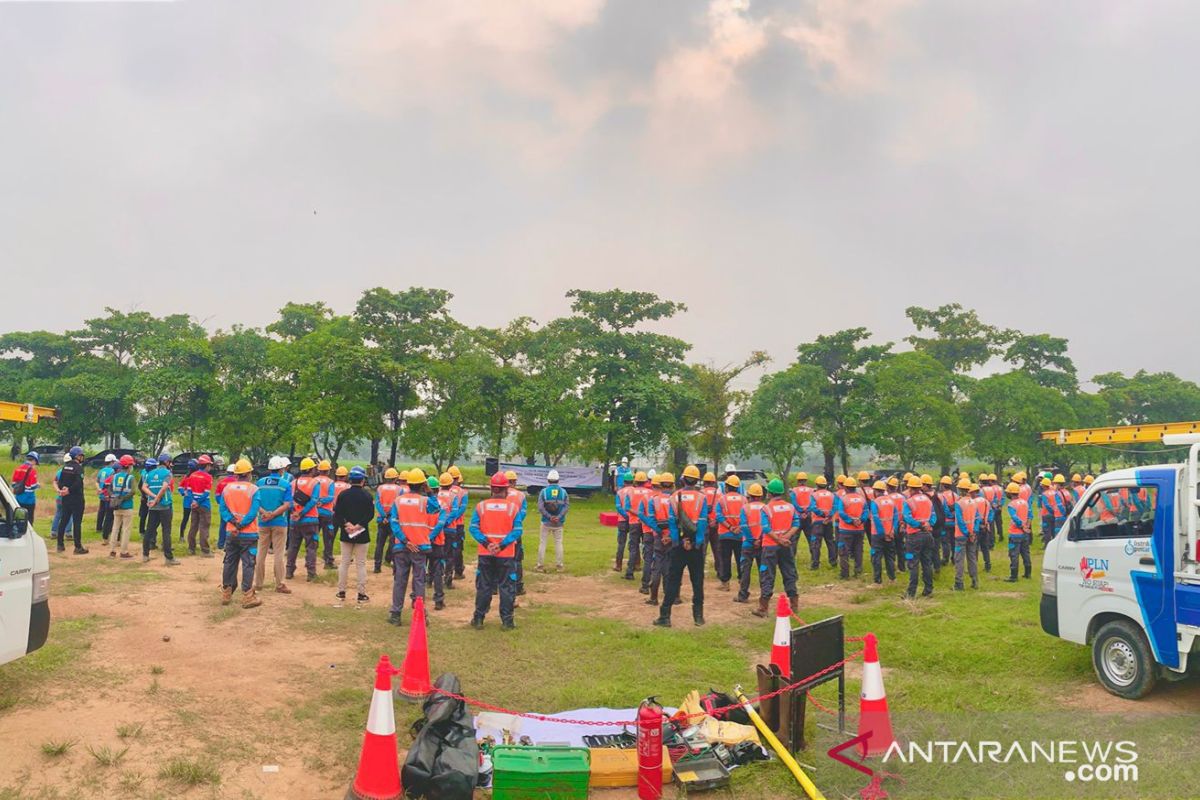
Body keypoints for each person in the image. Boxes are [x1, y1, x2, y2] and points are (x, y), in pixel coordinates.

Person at [388, 469, 447, 626]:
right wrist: (430, 492)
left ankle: (395, 614)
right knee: (419, 581)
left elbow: (394, 523)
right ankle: (420, 614)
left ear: (408, 484)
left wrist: (405, 540)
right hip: (420, 547)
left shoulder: (398, 501)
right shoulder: (425, 501)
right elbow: (436, 508)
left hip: (402, 546)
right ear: (422, 484)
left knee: (400, 580)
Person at [653, 464, 708, 628]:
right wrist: (695, 543)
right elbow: (703, 523)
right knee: (697, 581)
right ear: (697, 481)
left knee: (672, 580)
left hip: (678, 547)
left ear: (683, 479)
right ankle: (698, 617)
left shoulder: (674, 497)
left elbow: (672, 523)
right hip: (696, 548)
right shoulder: (702, 499)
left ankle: (665, 616)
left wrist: (679, 542)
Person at [469, 472, 524, 630]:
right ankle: (507, 621)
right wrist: (502, 545)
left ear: (492, 488)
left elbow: (473, 528)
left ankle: (478, 618)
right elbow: (517, 530)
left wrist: (487, 544)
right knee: (506, 587)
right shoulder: (513, 508)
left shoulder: (481, 507)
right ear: (506, 489)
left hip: (486, 553)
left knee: (484, 586)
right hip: (506, 554)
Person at [753, 479, 799, 617]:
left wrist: (778, 539)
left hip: (770, 546)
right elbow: (796, 523)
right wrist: (786, 538)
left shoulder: (766, 509)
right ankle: (794, 605)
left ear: (769, 493)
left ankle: (763, 608)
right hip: (786, 546)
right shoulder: (790, 507)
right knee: (789, 573)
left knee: (767, 575)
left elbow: (766, 528)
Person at [218, 459, 262, 608]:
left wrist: (234, 523)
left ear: (236, 474)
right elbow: (253, 511)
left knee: (229, 562)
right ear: (249, 473)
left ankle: (226, 592)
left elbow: (223, 510)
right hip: (248, 534)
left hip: (232, 532)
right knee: (248, 564)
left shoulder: (227, 489)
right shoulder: (254, 489)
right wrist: (242, 524)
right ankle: (248, 596)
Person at [334, 466, 374, 605]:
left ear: (350, 479)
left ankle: (341, 592)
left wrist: (347, 525)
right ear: (363, 480)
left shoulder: (343, 495)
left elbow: (337, 513)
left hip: (346, 533)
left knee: (344, 563)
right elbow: (370, 514)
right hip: (362, 534)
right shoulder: (367, 495)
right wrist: (358, 526)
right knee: (361, 564)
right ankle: (361, 594)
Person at [255, 457, 294, 594]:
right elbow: (287, 504)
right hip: (279, 522)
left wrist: (265, 513)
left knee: (260, 553)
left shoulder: (260, 483)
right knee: (279, 554)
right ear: (281, 469)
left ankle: (258, 584)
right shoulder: (285, 484)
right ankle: (280, 584)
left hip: (262, 521)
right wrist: (274, 514)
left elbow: (256, 502)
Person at [637, 473, 673, 604]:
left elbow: (646, 516)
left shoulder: (652, 499)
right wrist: (669, 535)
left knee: (655, 565)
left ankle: (652, 596)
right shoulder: (676, 499)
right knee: (670, 566)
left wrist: (660, 532)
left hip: (655, 535)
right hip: (672, 537)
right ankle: (672, 596)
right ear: (672, 484)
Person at [288, 458, 322, 582]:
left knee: (293, 546)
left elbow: (288, 501)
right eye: (314, 468)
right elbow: (313, 500)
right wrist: (301, 513)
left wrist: (294, 513)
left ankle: (289, 571)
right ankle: (311, 573)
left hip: (294, 520)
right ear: (310, 469)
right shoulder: (315, 483)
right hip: (310, 520)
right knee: (311, 547)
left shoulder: (293, 483)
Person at [901, 475, 936, 598]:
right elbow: (933, 517)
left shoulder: (908, 502)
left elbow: (907, 518)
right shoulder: (928, 500)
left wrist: (919, 526)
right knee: (927, 562)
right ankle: (928, 589)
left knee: (912, 563)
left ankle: (911, 593)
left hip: (913, 537)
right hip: (927, 536)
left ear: (909, 488)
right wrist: (928, 525)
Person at [141, 454, 179, 565]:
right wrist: (157, 498)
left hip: (152, 506)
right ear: (166, 462)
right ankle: (169, 558)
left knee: (149, 530)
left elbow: (144, 487)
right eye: (170, 462)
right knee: (166, 531)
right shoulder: (167, 473)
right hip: (164, 505)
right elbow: (164, 487)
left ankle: (145, 555)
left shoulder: (150, 473)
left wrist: (153, 497)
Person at [736, 482, 768, 603]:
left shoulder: (745, 508)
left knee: (745, 570)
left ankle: (743, 595)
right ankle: (764, 595)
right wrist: (759, 540)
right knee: (763, 569)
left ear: (749, 495)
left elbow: (744, 526)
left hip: (748, 544)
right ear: (760, 496)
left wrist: (752, 540)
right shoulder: (765, 508)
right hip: (762, 543)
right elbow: (767, 526)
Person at [713, 474, 746, 592]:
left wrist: (730, 527)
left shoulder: (722, 499)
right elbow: (747, 516)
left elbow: (719, 516)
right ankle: (742, 582)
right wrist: (738, 528)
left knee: (725, 559)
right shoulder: (744, 499)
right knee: (740, 559)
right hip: (740, 534)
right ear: (737, 487)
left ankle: (725, 583)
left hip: (725, 534)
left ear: (727, 487)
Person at [55, 446, 88, 554]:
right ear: (76, 456)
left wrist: (63, 489)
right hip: (76, 498)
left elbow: (60, 482)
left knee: (63, 520)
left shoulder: (65, 468)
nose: (82, 457)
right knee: (77, 522)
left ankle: (60, 544)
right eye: (80, 455)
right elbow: (78, 483)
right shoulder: (79, 468)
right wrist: (69, 490)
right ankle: (78, 547)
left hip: (66, 499)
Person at [835, 476, 868, 579]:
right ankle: (858, 571)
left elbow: (841, 513)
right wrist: (860, 520)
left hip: (846, 530)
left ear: (845, 487)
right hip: (859, 529)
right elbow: (866, 511)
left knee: (844, 551)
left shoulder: (843, 499)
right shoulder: (862, 499)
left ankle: (844, 574)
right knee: (858, 550)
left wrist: (851, 521)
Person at [536, 469, 569, 572]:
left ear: (548, 480)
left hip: (546, 521)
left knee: (543, 543)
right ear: (558, 480)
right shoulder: (563, 492)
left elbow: (540, 507)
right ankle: (559, 566)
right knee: (559, 543)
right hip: (559, 523)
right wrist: (558, 517)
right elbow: (566, 506)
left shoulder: (544, 492)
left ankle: (540, 565)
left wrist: (549, 517)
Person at [373, 468, 403, 575]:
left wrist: (383, 515)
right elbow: (398, 504)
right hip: (393, 520)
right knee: (393, 543)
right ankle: (394, 567)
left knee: (379, 544)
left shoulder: (380, 488)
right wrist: (389, 515)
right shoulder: (399, 489)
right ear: (395, 478)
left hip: (382, 519)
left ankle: (377, 566)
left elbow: (377, 503)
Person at [184, 455, 215, 557]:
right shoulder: (208, 477)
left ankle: (191, 548)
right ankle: (205, 550)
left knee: (193, 526)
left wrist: (194, 501)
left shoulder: (192, 476)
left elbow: (188, 491)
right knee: (204, 527)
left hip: (193, 505)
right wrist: (198, 501)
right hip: (204, 505)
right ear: (206, 465)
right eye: (209, 465)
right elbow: (206, 493)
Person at [107, 456, 137, 558]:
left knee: (115, 528)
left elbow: (109, 489)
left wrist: (114, 497)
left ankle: (112, 550)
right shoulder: (131, 477)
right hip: (127, 506)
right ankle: (124, 551)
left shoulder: (115, 476)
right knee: (126, 529)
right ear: (128, 466)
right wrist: (123, 498)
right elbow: (133, 491)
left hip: (116, 506)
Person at [503, 470, 528, 597]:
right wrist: (515, 522)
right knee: (517, 559)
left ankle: (497, 586)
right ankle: (518, 586)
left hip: (501, 530)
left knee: (499, 558)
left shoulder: (499, 494)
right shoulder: (521, 495)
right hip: (515, 530)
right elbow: (523, 512)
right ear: (514, 481)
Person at [953, 478, 980, 591]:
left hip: (961, 535)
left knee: (959, 559)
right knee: (972, 558)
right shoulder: (974, 502)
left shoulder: (958, 504)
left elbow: (960, 520)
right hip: (972, 535)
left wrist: (967, 532)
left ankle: (959, 583)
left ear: (960, 489)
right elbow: (978, 518)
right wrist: (973, 532)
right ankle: (975, 581)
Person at [869, 480, 897, 585]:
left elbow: (876, 519)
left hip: (878, 534)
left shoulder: (875, 503)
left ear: (875, 491)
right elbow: (895, 517)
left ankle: (877, 582)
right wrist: (892, 530)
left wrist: (883, 533)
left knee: (876, 558)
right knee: (889, 557)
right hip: (890, 534)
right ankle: (892, 579)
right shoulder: (891, 501)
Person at [621, 471, 648, 580]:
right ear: (646, 481)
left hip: (634, 523)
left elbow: (627, 507)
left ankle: (630, 572)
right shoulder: (650, 493)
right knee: (647, 548)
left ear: (635, 481)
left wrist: (636, 513)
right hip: (646, 524)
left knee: (633, 547)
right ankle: (648, 572)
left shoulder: (630, 492)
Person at [1004, 482, 1032, 582]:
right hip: (1024, 534)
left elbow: (1014, 517)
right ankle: (1028, 573)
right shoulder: (1025, 502)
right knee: (1026, 553)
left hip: (1015, 533)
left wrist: (1022, 526)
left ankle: (1013, 576)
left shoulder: (1011, 505)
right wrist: (1027, 526)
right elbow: (1030, 515)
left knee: (1014, 554)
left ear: (1010, 493)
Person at [808, 476, 836, 570]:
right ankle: (833, 561)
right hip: (828, 522)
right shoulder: (832, 495)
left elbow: (813, 507)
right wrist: (828, 516)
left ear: (817, 485)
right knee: (830, 542)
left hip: (817, 522)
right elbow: (835, 507)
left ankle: (815, 564)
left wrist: (822, 515)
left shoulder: (814, 495)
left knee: (816, 544)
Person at [446, 465, 469, 583]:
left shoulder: (444, 490)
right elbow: (462, 509)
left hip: (446, 525)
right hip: (458, 525)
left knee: (447, 549)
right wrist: (455, 518)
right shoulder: (463, 492)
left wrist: (448, 520)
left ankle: (445, 571)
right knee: (458, 548)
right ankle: (458, 571)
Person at [314, 460, 337, 570]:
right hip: (327, 513)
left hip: (314, 513)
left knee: (313, 537)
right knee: (328, 538)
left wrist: (317, 501)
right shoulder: (330, 482)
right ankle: (328, 561)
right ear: (328, 471)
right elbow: (331, 496)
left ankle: (311, 560)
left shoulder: (313, 480)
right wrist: (322, 501)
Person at [613, 471, 635, 572]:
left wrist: (625, 516)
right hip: (634, 520)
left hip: (622, 520)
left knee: (621, 543)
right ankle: (636, 564)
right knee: (634, 543)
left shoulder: (619, 492)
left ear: (624, 481)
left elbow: (618, 507)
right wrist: (630, 516)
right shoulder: (635, 491)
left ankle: (618, 565)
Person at [11, 452, 40, 523]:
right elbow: (32, 486)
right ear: (34, 460)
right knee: (29, 519)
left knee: (18, 518)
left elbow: (13, 484)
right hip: (29, 499)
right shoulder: (32, 471)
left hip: (18, 497)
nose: (35, 464)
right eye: (35, 462)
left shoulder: (18, 469)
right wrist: (38, 485)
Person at [214, 464, 237, 550]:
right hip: (234, 508)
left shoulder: (222, 482)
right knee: (233, 525)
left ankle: (220, 544)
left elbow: (217, 495)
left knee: (223, 525)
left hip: (224, 508)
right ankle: (230, 544)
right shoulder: (236, 482)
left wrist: (222, 504)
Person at [95, 453, 117, 541]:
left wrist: (99, 489)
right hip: (107, 494)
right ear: (111, 462)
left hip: (101, 493)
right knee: (109, 513)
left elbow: (97, 481)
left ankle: (98, 527)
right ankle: (107, 529)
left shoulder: (101, 470)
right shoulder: (112, 471)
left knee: (101, 511)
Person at [975, 478, 995, 572]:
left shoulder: (973, 502)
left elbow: (974, 515)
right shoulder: (986, 502)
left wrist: (978, 524)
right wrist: (987, 522)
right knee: (985, 548)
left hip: (977, 528)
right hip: (986, 527)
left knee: (974, 548)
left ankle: (973, 565)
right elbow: (991, 513)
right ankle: (988, 565)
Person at [177, 458, 198, 542]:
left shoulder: (187, 476)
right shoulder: (191, 476)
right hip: (194, 501)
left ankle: (182, 536)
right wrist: (183, 492)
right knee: (194, 520)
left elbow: (179, 487)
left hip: (187, 501)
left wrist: (183, 492)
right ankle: (188, 537)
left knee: (185, 519)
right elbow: (180, 487)